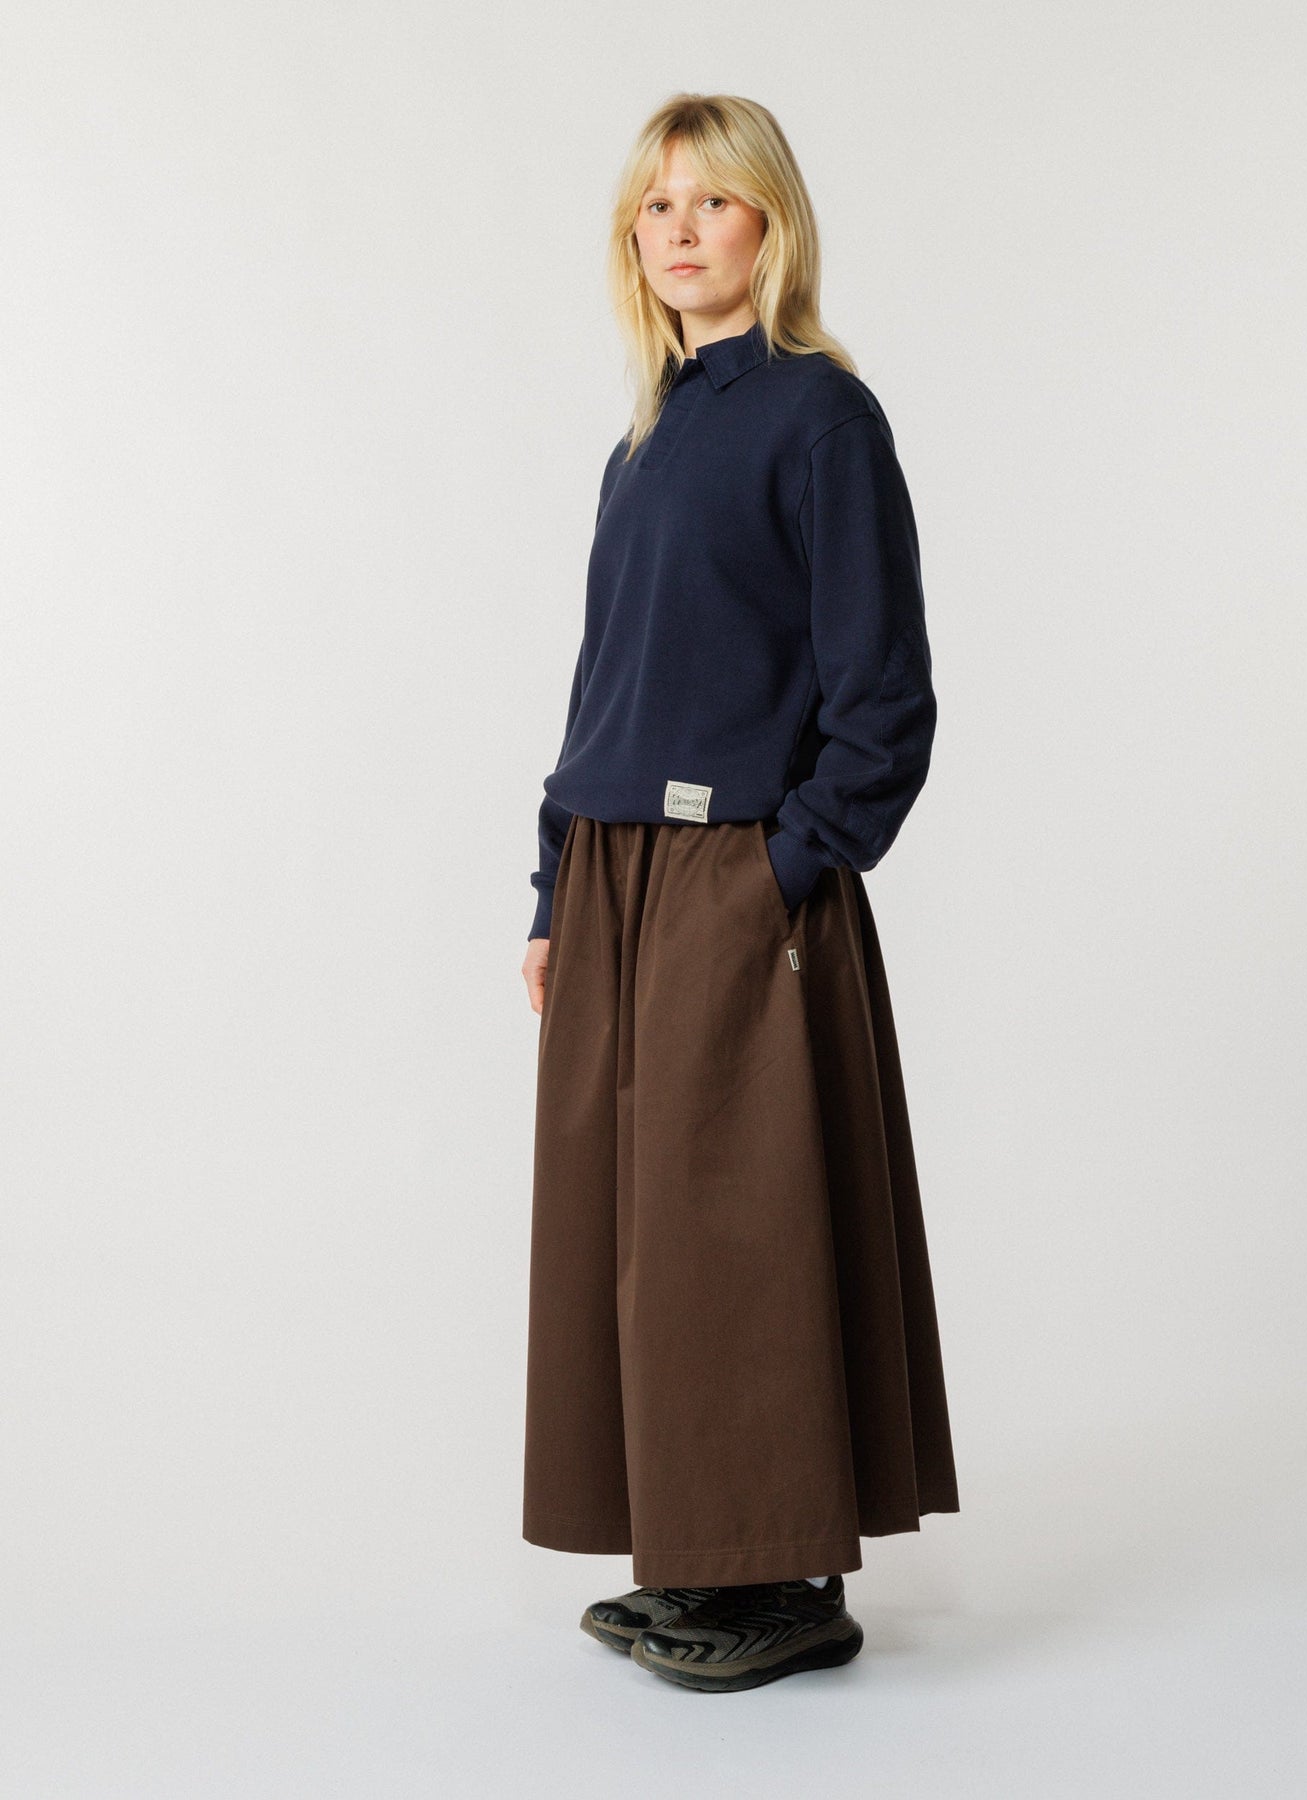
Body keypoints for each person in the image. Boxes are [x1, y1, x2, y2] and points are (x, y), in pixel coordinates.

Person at [518, 93, 959, 1693]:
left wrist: (780, 870)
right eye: (657, 206)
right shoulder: (646, 439)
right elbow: (608, 684)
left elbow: (884, 697)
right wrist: (556, 887)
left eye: (713, 200)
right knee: (640, 1235)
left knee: (740, 1230)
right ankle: (700, 1559)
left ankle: (785, 1577)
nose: (681, 229)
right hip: (617, 875)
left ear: (772, 222)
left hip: (735, 874)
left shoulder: (821, 417)